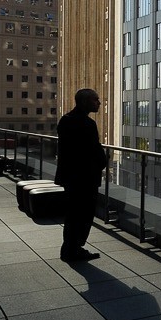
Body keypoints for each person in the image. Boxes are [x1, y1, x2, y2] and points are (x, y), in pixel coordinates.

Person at [55, 88, 106, 262]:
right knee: (83, 215)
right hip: (85, 178)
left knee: (72, 215)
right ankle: (75, 249)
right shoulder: (87, 124)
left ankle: (69, 249)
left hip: (70, 177)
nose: (99, 103)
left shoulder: (65, 120)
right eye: (95, 100)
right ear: (85, 102)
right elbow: (95, 151)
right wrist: (102, 163)